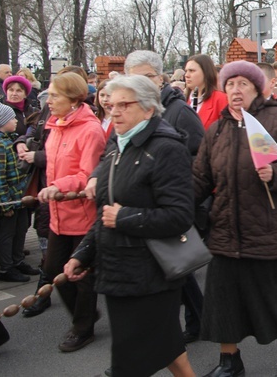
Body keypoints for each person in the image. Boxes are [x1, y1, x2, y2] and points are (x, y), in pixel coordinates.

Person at [67, 75, 195, 377]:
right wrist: (82, 254)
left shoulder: (166, 148)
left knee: (129, 363)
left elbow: (179, 216)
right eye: (111, 105)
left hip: (150, 274)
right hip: (116, 269)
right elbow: (105, 210)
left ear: (149, 109)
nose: (115, 111)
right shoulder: (117, 144)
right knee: (167, 346)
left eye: (125, 104)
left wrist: (125, 217)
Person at [193, 61, 277, 376]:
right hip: (225, 229)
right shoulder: (217, 129)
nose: (236, 90)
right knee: (222, 297)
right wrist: (172, 203)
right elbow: (200, 178)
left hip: (268, 226)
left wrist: (275, 175)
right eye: (230, 84)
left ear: (256, 88)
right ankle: (229, 362)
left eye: (243, 84)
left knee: (275, 294)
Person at [124, 50, 207, 344]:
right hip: (141, 206)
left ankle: (189, 325)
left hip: (170, 205)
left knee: (177, 268)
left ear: (159, 78)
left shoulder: (179, 111)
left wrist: (181, 192)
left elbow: (200, 155)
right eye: (134, 78)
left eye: (147, 77)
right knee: (172, 272)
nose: (141, 83)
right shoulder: (131, 112)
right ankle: (194, 322)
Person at [38, 73, 106, 352]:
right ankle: (86, 315)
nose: (48, 101)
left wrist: (58, 186)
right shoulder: (56, 126)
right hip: (58, 214)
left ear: (73, 98)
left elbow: (89, 174)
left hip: (81, 214)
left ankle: (83, 327)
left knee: (80, 275)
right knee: (53, 269)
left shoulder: (90, 130)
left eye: (54, 95)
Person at [0, 102, 38, 282]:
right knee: (7, 233)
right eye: (11, 118)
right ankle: (6, 268)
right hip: (8, 199)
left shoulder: (8, 139)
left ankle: (18, 260)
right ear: (1, 121)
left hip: (19, 196)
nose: (16, 120)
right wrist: (4, 203)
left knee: (21, 228)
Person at [184, 54, 228, 130]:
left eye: (191, 71)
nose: (187, 75)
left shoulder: (221, 99)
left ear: (205, 72)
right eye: (186, 71)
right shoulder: (184, 101)